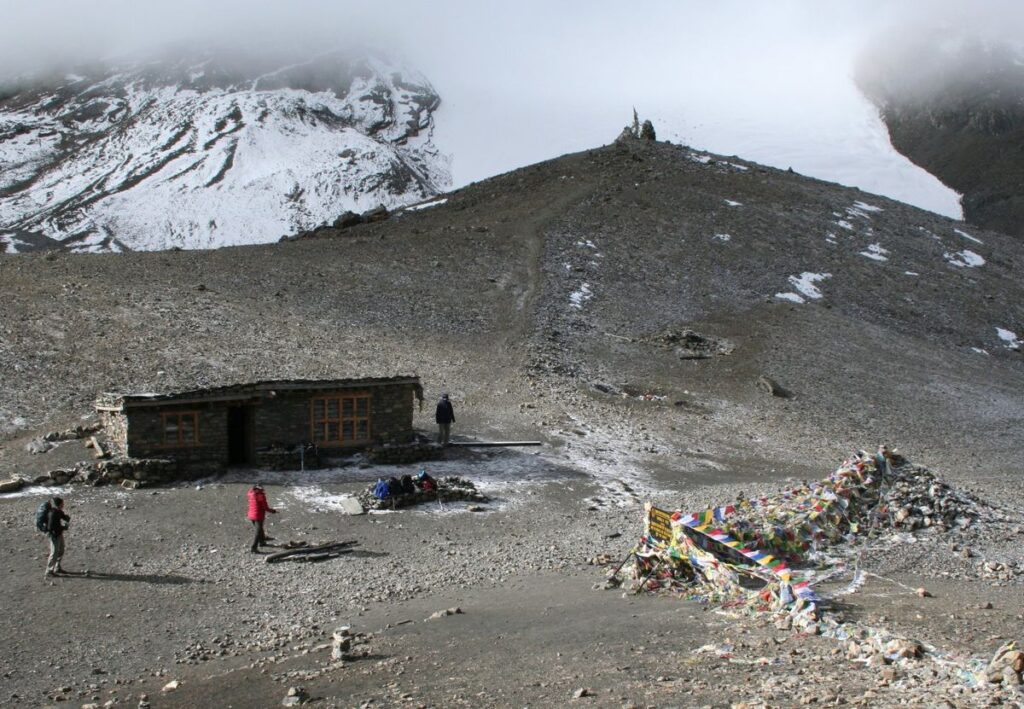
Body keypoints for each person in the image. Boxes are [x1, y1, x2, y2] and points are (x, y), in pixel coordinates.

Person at [246, 484, 277, 553]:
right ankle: (254, 548)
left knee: (260, 529)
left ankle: (262, 542)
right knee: (258, 531)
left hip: (251, 515)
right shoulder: (260, 495)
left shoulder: (250, 493)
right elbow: (265, 507)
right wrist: (273, 511)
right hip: (258, 515)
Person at [44, 496, 70, 577]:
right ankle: (49, 571)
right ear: (59, 504)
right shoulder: (53, 513)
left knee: (61, 550)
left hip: (59, 533)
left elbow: (63, 517)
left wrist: (66, 518)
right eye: (62, 503)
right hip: (54, 535)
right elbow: (51, 527)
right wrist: (63, 527)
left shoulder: (58, 511)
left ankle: (57, 567)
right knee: (54, 552)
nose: (63, 505)